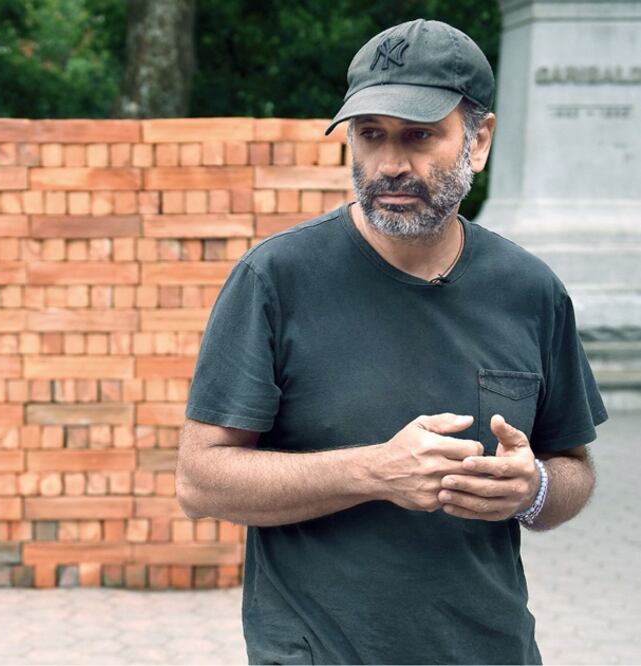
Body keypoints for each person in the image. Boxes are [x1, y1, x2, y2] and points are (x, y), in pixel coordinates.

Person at [176, 18, 608, 665]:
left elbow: (572, 469)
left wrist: (533, 489)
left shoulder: (530, 290)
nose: (390, 165)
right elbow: (200, 480)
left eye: (418, 136)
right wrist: (373, 471)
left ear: (479, 139)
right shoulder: (274, 280)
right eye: (370, 135)